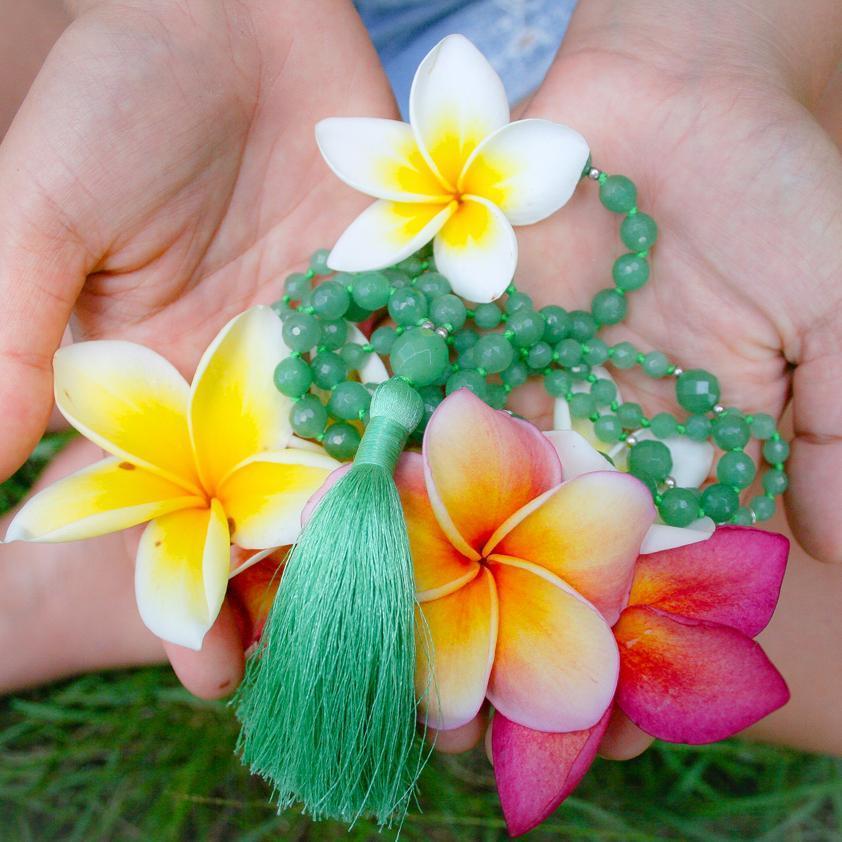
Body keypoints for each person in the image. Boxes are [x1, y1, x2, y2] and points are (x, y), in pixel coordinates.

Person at [1, 0, 841, 760]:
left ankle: (117, 566)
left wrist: (709, 48)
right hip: (301, 110)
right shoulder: (359, 288)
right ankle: (168, 511)